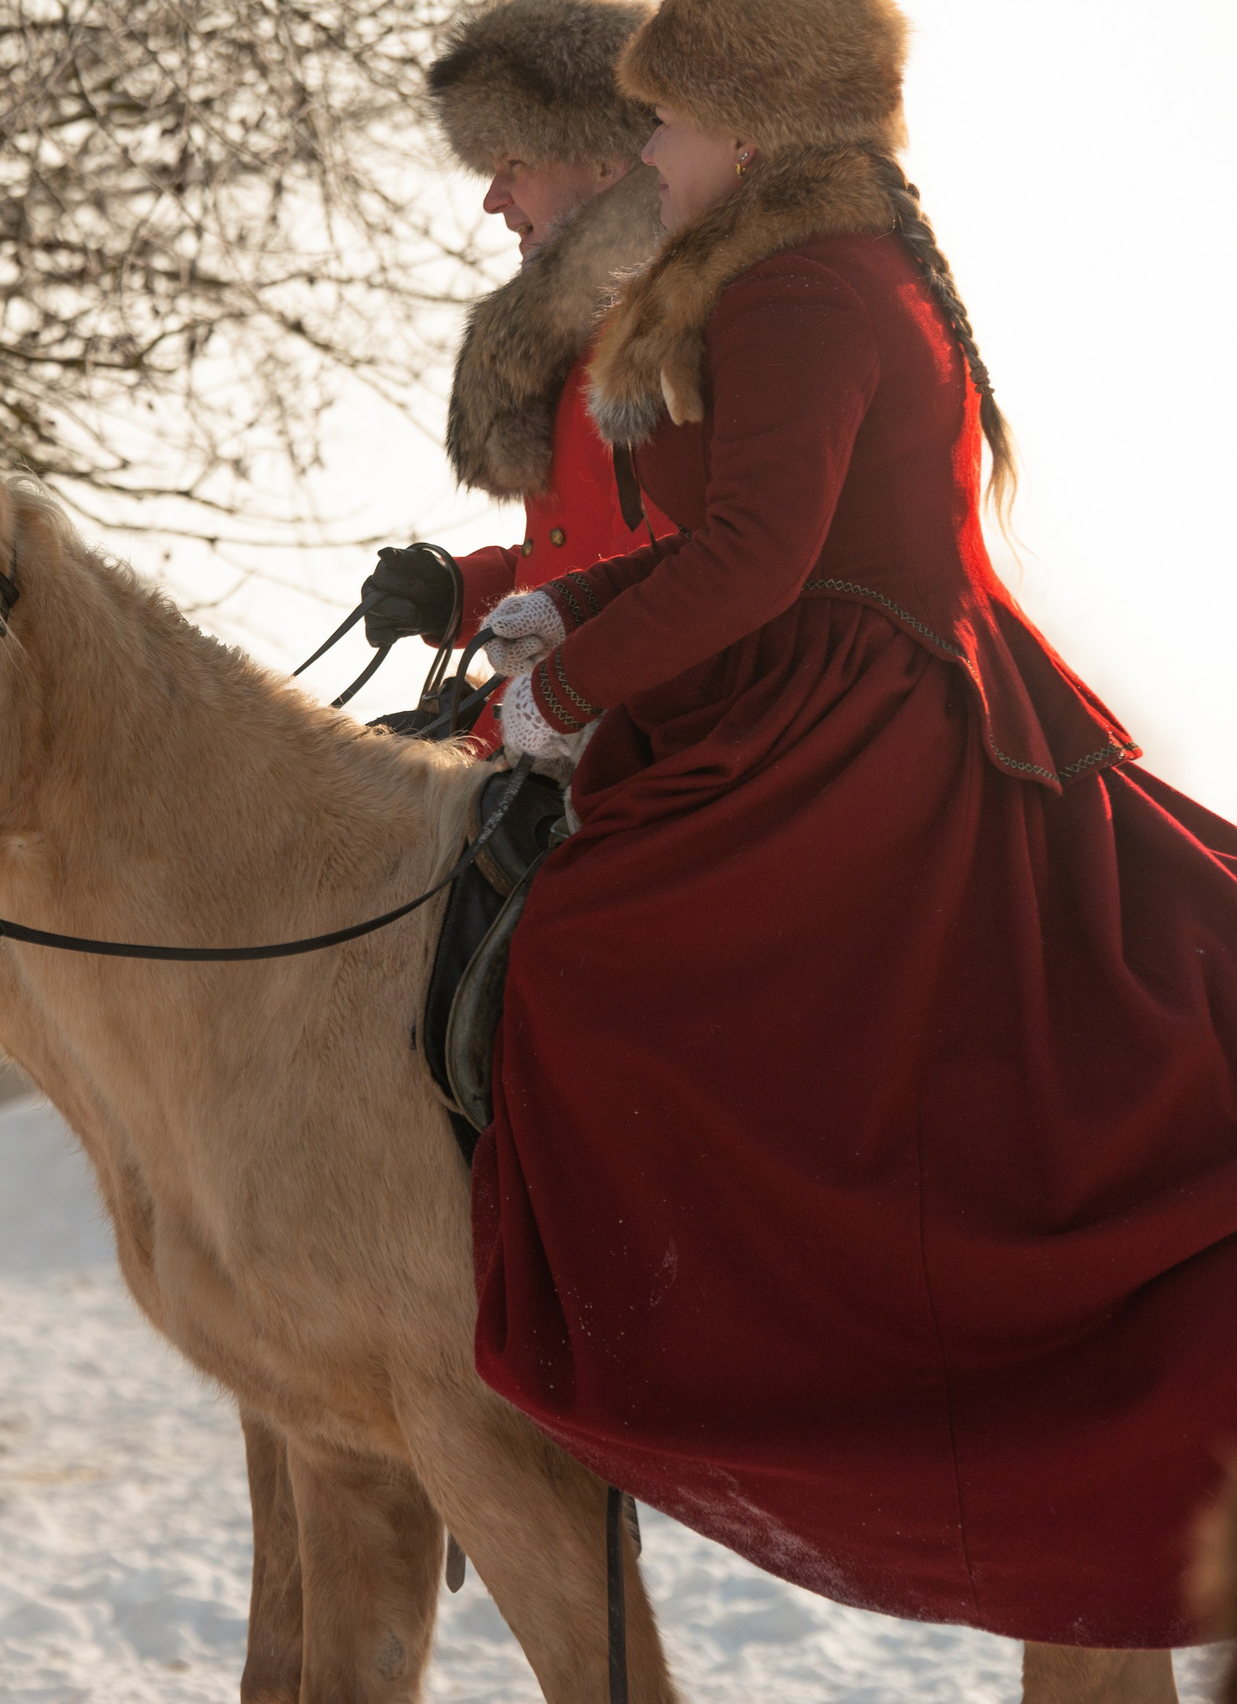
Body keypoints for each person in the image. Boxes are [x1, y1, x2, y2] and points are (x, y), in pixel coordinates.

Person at [465, 0, 1237, 1661]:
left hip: (861, 721)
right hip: (865, 678)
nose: (647, 149)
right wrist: (561, 607)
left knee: (596, 954)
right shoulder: (814, 269)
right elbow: (764, 535)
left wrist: (571, 691)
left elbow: (761, 555)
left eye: (666, 121)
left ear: (745, 131)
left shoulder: (802, 288)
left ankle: (735, 1347)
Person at [357, 0, 662, 688]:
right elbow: (578, 558)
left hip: (623, 723)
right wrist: (459, 592)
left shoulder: (674, 324)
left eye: (515, 162)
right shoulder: (580, 330)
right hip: (562, 709)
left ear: (605, 159)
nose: (493, 198)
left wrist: (555, 705)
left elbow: (695, 571)